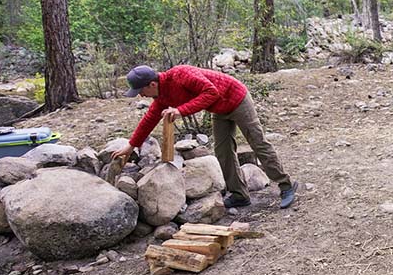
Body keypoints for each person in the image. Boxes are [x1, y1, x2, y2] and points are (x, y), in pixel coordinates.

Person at [114, 64, 298, 209]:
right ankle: (239, 195)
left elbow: (212, 92)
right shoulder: (160, 97)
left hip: (236, 98)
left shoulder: (181, 74)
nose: (141, 96)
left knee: (258, 143)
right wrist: (131, 146)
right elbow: (149, 119)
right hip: (219, 109)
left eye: (141, 91)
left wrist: (181, 110)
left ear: (152, 84)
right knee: (223, 151)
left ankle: (285, 185)